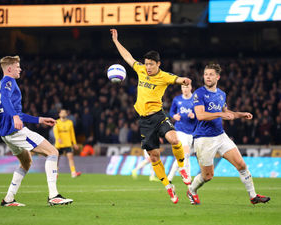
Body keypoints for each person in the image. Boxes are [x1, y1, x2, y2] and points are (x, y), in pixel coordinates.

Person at [111, 29, 191, 204]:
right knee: (154, 157)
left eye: (151, 64)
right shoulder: (140, 70)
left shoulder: (164, 76)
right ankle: (168, 186)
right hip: (144, 121)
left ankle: (182, 167)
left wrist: (185, 80)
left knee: (174, 139)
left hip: (158, 116)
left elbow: (178, 79)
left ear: (158, 64)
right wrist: (116, 41)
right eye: (146, 64)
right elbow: (128, 57)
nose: (147, 67)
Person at [187, 63, 270, 205]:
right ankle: (192, 191)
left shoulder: (221, 94)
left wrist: (240, 114)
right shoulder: (199, 94)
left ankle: (253, 196)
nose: (207, 77)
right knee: (208, 176)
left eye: (211, 74)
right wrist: (220, 114)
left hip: (220, 136)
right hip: (204, 139)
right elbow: (200, 115)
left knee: (241, 165)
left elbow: (226, 112)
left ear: (218, 77)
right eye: (206, 74)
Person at [0, 56, 73, 206]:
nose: (20, 69)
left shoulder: (0, 85)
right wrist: (15, 117)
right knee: (53, 152)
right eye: (17, 67)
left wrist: (40, 119)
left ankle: (8, 199)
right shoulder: (8, 82)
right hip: (15, 131)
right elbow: (6, 102)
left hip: (6, 133)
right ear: (9, 69)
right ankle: (54, 196)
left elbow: (16, 111)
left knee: (26, 163)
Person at [167, 84, 197, 185]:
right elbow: (171, 112)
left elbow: (200, 114)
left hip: (191, 132)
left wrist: (194, 116)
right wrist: (174, 116)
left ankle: (170, 177)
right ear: (181, 88)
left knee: (183, 156)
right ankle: (187, 177)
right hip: (179, 130)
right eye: (183, 87)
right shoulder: (177, 99)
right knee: (186, 152)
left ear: (190, 88)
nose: (185, 89)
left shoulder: (195, 100)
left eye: (187, 87)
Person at [53, 109, 82, 178]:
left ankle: (73, 173)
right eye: (62, 112)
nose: (63, 114)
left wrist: (74, 143)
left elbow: (72, 133)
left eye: (64, 112)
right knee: (56, 159)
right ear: (59, 114)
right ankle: (55, 173)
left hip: (68, 143)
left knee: (70, 158)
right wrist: (58, 138)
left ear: (66, 114)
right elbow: (55, 131)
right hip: (59, 144)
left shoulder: (70, 122)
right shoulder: (56, 122)